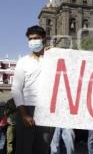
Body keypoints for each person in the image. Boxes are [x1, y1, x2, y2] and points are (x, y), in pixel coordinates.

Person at [11, 25, 55, 154]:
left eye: (36, 38)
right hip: (27, 108)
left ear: (44, 39)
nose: (33, 41)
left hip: (47, 111)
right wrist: (24, 113)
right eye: (30, 39)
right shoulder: (23, 61)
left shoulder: (53, 59)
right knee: (24, 149)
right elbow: (16, 88)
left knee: (42, 148)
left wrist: (55, 53)